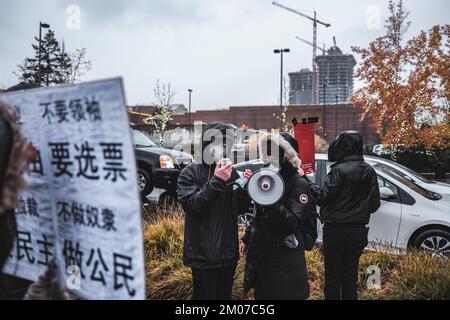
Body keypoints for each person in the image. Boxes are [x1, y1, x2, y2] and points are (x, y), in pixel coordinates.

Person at [176, 122, 252, 300]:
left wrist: (244, 187)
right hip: (204, 258)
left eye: (226, 144)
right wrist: (217, 181)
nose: (223, 148)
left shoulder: (231, 173)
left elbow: (239, 208)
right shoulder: (190, 173)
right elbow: (194, 205)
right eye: (219, 143)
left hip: (228, 257)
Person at [304, 131, 380, 300]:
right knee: (350, 277)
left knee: (333, 277)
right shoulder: (369, 171)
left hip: (335, 232)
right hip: (358, 232)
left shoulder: (338, 171)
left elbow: (322, 199)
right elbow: (375, 205)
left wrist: (308, 183)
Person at [241, 132, 313, 300]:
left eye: (275, 155)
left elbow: (293, 222)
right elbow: (258, 215)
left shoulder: (298, 184)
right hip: (265, 256)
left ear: (287, 157)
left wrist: (271, 199)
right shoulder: (267, 180)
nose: (271, 160)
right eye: (268, 155)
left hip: (286, 258)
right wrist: (248, 237)